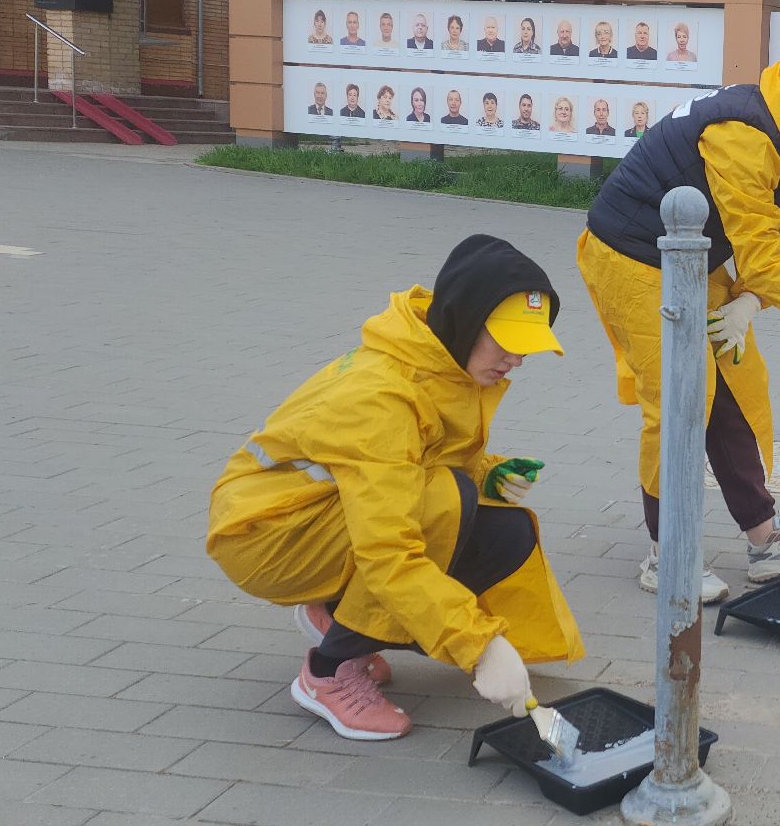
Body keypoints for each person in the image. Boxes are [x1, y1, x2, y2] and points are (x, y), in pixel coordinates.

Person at [207, 235, 582, 740]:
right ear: (465, 319)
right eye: (507, 342)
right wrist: (479, 645)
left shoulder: (436, 359)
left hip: (314, 513)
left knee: (505, 531)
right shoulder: (381, 399)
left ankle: (341, 619)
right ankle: (328, 672)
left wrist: (484, 470)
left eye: (527, 346)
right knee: (447, 504)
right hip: (269, 536)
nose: (516, 360)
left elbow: (419, 460)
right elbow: (389, 552)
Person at [577, 62, 780, 603]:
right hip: (630, 254)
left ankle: (767, 542)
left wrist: (749, 299)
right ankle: (667, 553)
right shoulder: (748, 141)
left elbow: (763, 240)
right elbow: (764, 258)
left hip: (686, 255)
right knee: (678, 401)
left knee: (729, 383)